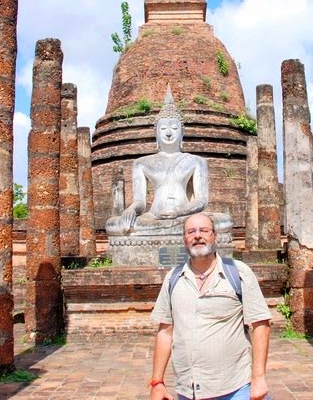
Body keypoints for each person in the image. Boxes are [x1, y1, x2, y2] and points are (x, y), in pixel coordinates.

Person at [149, 213, 272, 400]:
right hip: (189, 389)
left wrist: (259, 377)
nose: (197, 236)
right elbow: (165, 331)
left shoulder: (238, 273)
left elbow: (260, 324)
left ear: (215, 236)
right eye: (191, 231)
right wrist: (157, 382)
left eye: (204, 230)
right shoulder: (173, 278)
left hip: (235, 387)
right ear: (184, 239)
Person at [105, 87, 233, 237]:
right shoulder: (142, 163)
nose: (168, 133)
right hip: (154, 217)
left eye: (174, 128)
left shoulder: (196, 161)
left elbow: (202, 200)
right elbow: (140, 203)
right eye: (164, 128)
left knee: (225, 221)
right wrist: (131, 210)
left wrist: (179, 212)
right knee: (114, 224)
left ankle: (180, 230)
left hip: (185, 216)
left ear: (182, 132)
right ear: (156, 133)